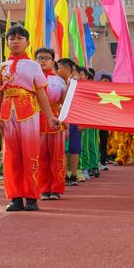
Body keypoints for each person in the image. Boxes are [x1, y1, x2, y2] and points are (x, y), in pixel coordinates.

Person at [0, 25, 59, 212]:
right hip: (7, 114)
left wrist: (50, 116)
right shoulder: (1, 67)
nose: (15, 41)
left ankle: (31, 197)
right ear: (7, 43)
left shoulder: (34, 66)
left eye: (19, 38)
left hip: (28, 112)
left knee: (30, 155)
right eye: (11, 38)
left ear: (27, 42)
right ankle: (15, 197)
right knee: (10, 156)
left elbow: (42, 94)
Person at [35, 48, 67, 200]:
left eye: (46, 58)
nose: (43, 61)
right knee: (40, 157)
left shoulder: (59, 81)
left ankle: (56, 188)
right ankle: (43, 188)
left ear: (53, 61)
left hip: (55, 121)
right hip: (36, 121)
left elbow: (64, 103)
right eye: (40, 58)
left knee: (57, 156)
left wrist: (66, 123)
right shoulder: (31, 80)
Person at [56, 58, 81, 186]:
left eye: (59, 68)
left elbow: (81, 102)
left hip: (74, 119)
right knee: (62, 149)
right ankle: (63, 174)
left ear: (67, 69)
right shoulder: (55, 82)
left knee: (74, 148)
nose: (57, 70)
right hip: (59, 120)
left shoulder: (75, 83)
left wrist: (81, 121)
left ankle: (74, 174)